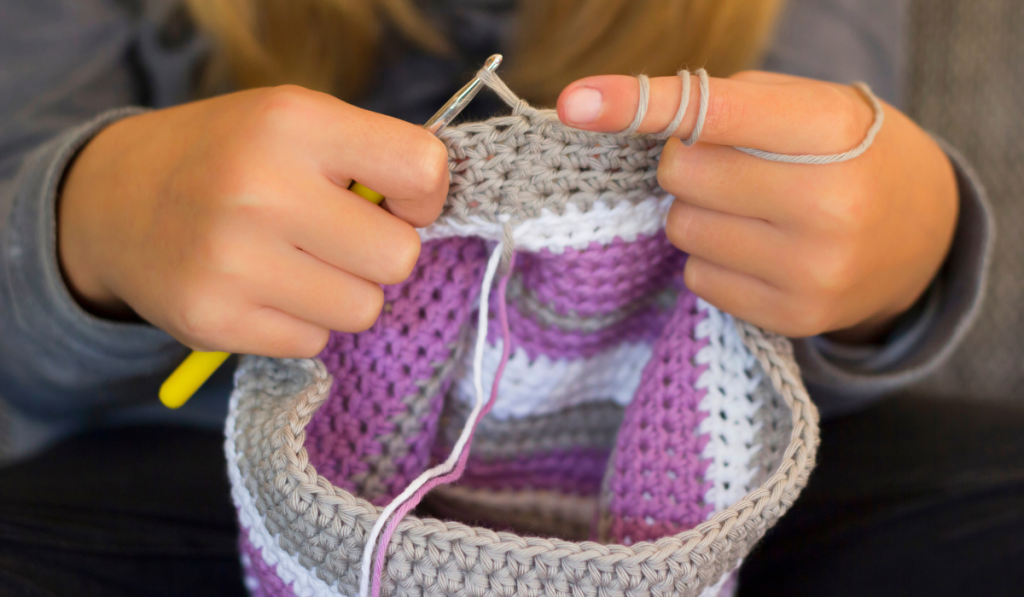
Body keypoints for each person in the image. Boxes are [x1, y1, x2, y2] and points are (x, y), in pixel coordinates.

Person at [0, 0, 1016, 596]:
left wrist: (902, 244)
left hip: (703, 487)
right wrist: (93, 220)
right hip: (178, 471)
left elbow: (802, 230)